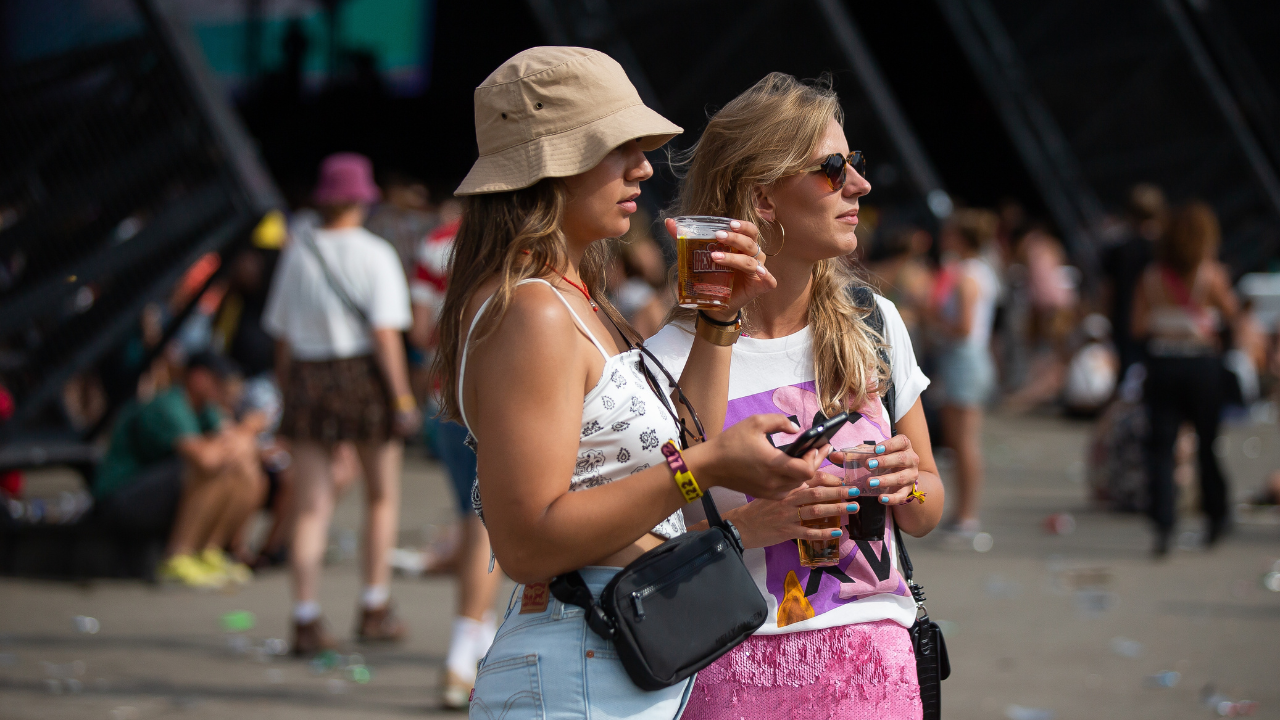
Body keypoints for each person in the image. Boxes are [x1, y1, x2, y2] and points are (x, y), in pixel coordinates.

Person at [437, 47, 823, 720]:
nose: (643, 166)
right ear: (552, 162)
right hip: (576, 667)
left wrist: (717, 321)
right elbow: (527, 542)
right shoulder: (533, 310)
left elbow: (682, 446)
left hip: (606, 660)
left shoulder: (576, 299)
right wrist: (707, 467)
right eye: (620, 147)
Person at [644, 72, 944, 720]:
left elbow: (925, 510)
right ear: (765, 199)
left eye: (854, 164)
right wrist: (749, 527)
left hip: (878, 678)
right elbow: (651, 535)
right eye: (833, 168)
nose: (859, 186)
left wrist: (908, 480)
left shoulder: (874, 323)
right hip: (730, 678)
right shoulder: (667, 363)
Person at [263, 152, 420, 654]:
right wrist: (401, 397)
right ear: (361, 199)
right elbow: (385, 335)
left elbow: (282, 338)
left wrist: (287, 388)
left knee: (310, 506)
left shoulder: (298, 252)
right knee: (380, 496)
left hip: (308, 377)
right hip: (363, 378)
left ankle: (305, 617)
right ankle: (374, 606)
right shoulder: (375, 254)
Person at [406, 206, 501, 708]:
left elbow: (421, 328)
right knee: (483, 523)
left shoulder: (435, 242)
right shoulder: (517, 238)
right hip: (503, 396)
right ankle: (463, 654)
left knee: (472, 519)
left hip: (448, 395)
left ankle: (478, 642)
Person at [95, 352, 265, 588]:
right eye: (218, 380)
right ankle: (177, 557)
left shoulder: (206, 408)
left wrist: (240, 437)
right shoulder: (169, 404)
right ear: (198, 378)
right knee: (206, 469)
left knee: (246, 470)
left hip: (160, 489)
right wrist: (246, 430)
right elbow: (206, 458)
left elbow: (241, 450)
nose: (224, 387)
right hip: (120, 496)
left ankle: (209, 553)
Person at [1131, 201, 1239, 556]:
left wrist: (1167, 320)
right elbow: (1232, 314)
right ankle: (1215, 515)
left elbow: (1138, 326)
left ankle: (1164, 523)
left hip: (1163, 364)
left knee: (1161, 448)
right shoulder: (1211, 276)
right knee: (1207, 444)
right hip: (1201, 365)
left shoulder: (1152, 277)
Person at [933, 209, 1000, 538]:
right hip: (968, 360)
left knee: (964, 441)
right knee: (960, 442)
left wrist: (934, 318)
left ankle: (968, 514)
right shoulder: (978, 270)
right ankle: (963, 512)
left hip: (965, 360)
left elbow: (964, 326)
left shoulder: (968, 274)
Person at [1104, 184, 1168, 376]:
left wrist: (1107, 320)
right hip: (1159, 320)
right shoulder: (1166, 248)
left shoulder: (1117, 249)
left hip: (1124, 318)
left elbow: (1107, 290)